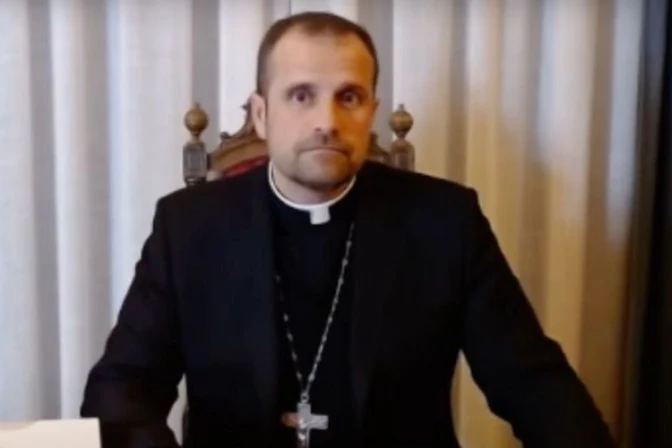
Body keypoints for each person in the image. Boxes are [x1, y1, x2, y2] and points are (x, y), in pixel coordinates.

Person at [81, 11, 617, 448]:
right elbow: (122, 389)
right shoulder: (189, 227)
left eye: (349, 97)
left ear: (372, 112)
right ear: (261, 115)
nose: (327, 121)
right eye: (301, 95)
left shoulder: (446, 223)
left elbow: (534, 383)